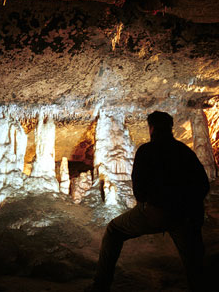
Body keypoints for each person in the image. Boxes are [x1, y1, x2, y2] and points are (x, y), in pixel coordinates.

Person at [86, 111, 210, 292]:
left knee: (114, 230)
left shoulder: (146, 150)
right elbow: (203, 184)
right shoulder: (184, 151)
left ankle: (100, 286)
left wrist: (145, 205)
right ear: (171, 128)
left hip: (156, 211)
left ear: (151, 128)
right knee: (194, 260)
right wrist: (191, 208)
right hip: (185, 214)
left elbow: (138, 187)